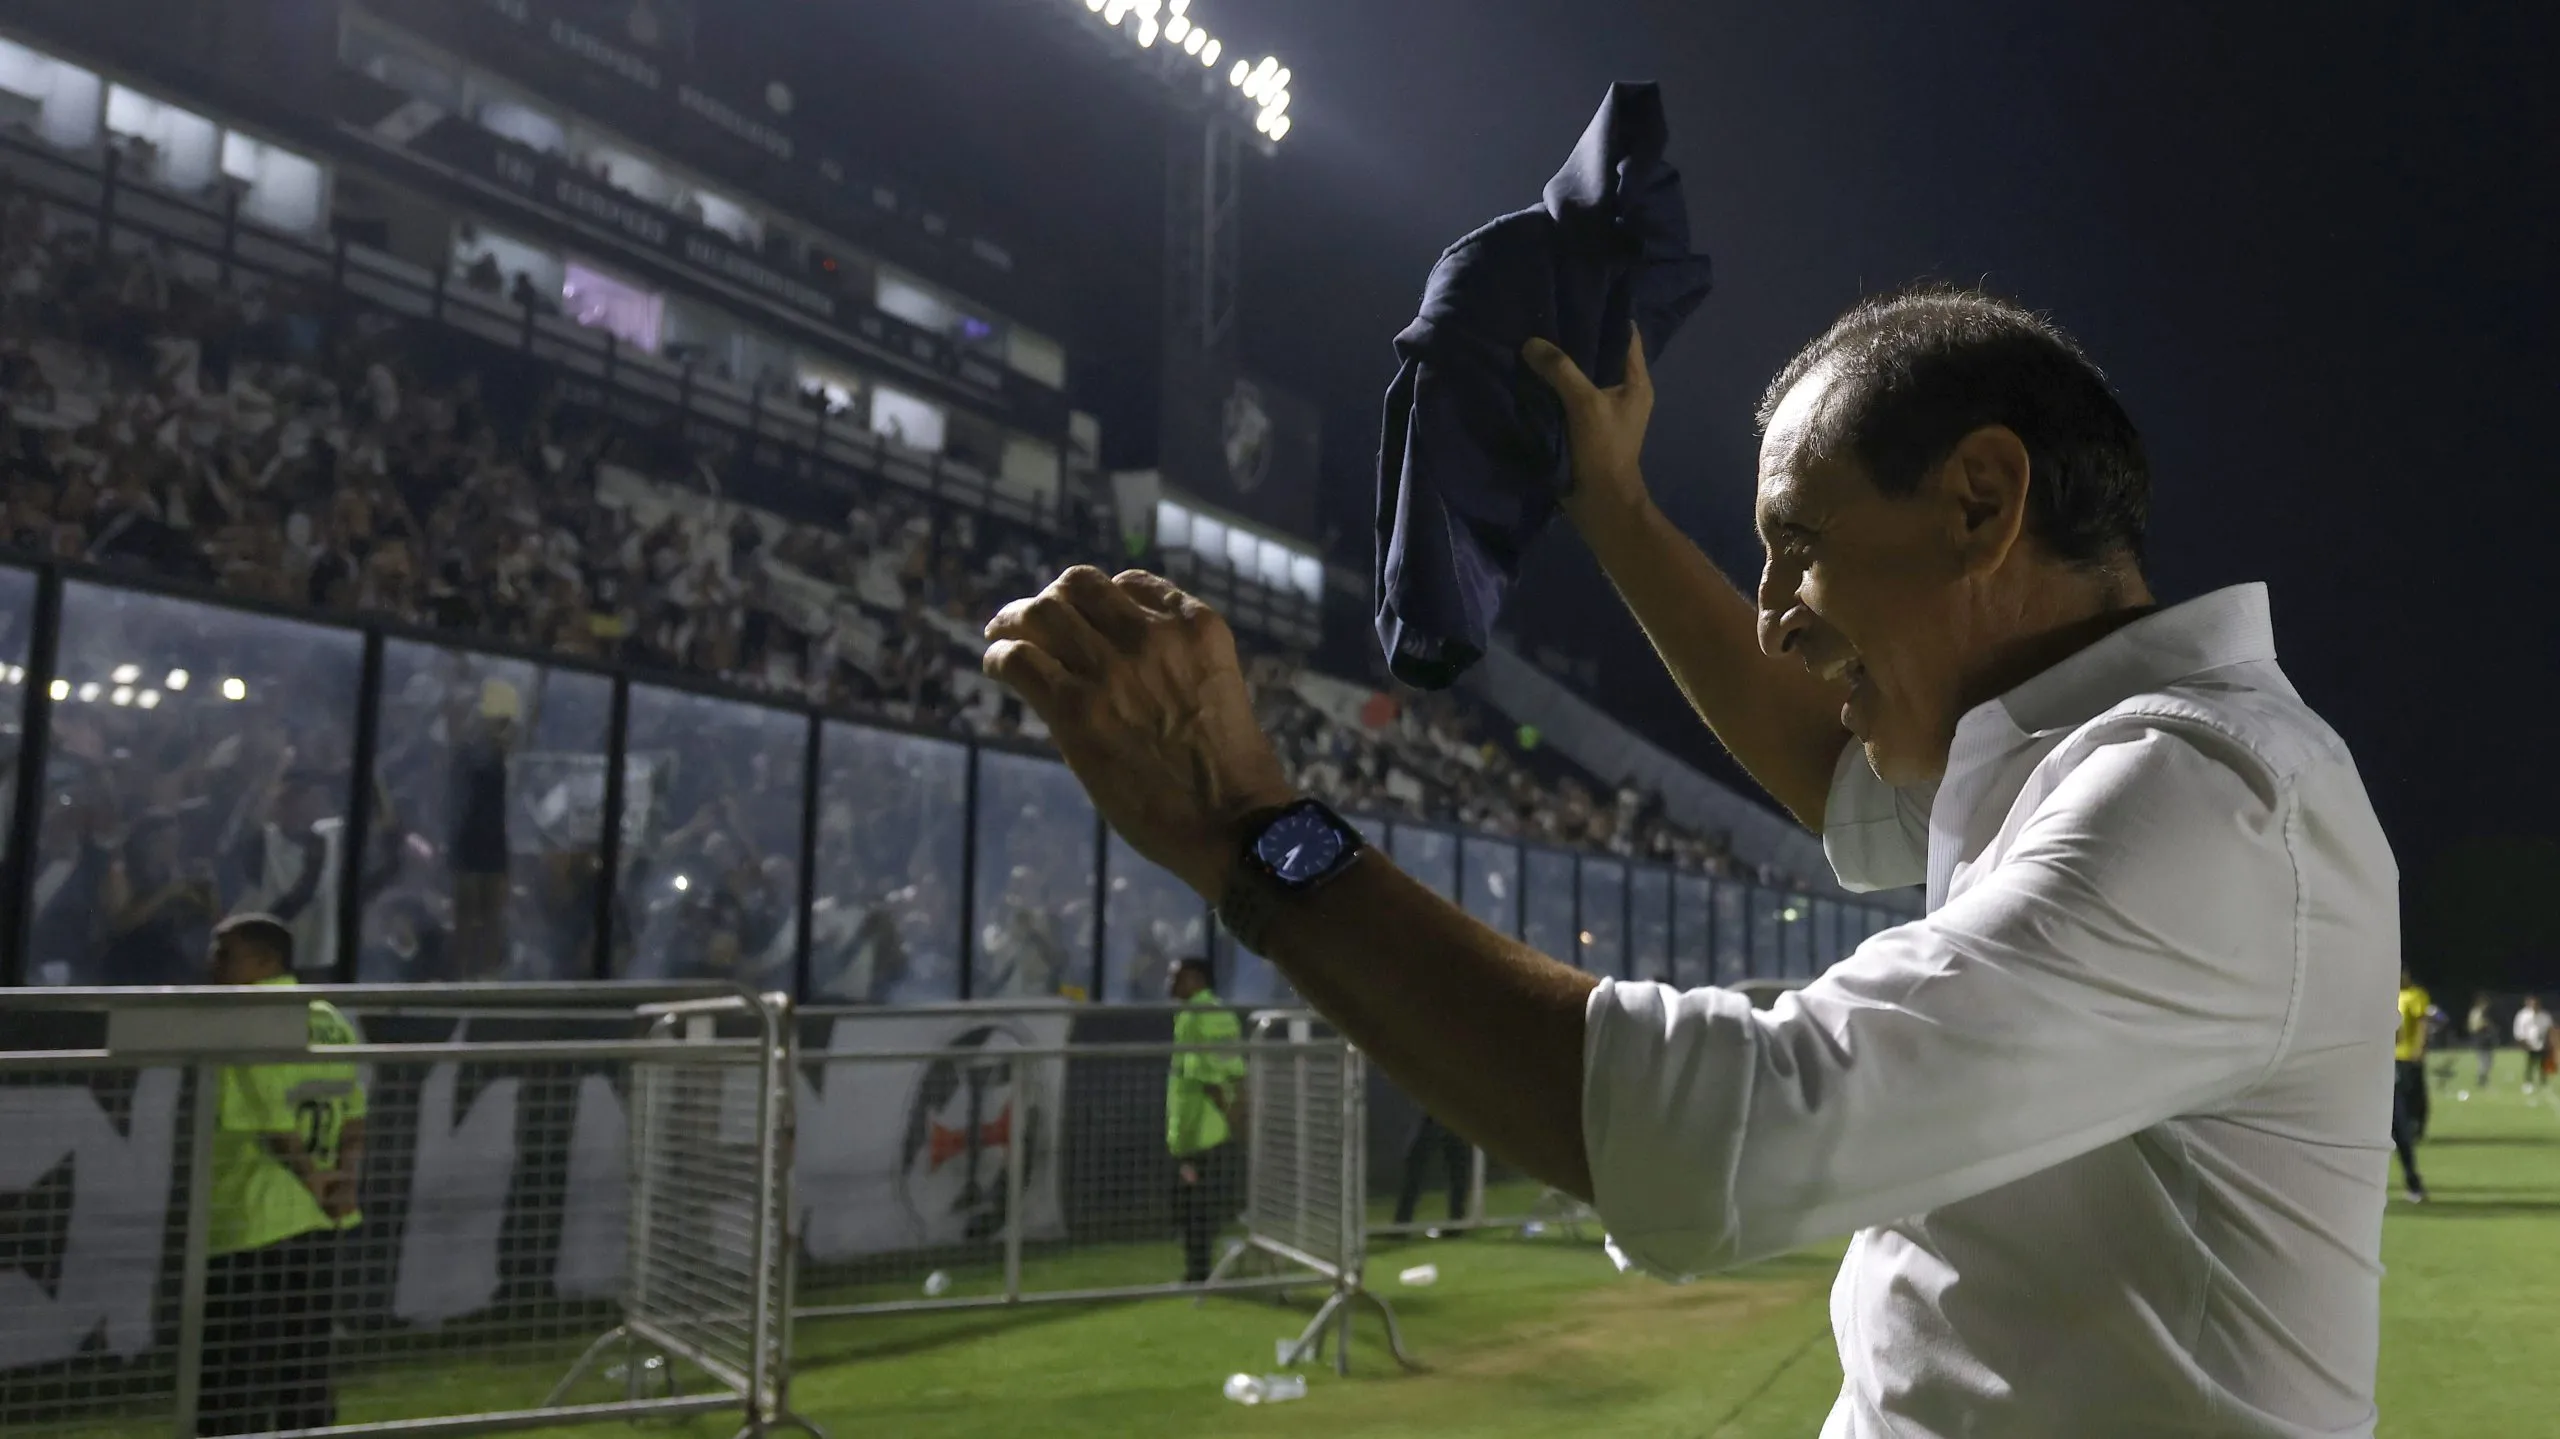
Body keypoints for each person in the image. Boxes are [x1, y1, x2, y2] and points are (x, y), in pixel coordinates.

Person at [981, 285, 2398, 1435]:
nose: (1774, 613)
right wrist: (1609, 499)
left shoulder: (2207, 797)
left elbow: (1745, 1123)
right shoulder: (2062, 755)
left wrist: (1249, 828)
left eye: (1798, 545)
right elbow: (1838, 767)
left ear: (1980, 499)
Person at [199, 914, 366, 1435]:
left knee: (232, 1373)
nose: (214, 963)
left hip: (253, 1213)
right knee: (307, 1366)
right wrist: (341, 1179)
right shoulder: (329, 1017)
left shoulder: (250, 1014)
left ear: (267, 961)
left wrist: (308, 1172)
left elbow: (269, 1117)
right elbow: (354, 1111)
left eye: (227, 953)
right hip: (318, 1218)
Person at [1165, 957, 1245, 1285]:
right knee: (1195, 1204)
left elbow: (1209, 1072)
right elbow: (1233, 1066)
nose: (1169, 983)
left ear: (1196, 979)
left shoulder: (1197, 1015)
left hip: (1200, 1127)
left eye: (1176, 977)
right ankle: (1200, 1269)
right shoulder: (1215, 1013)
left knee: (1194, 1206)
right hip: (1204, 1128)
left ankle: (1198, 1274)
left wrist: (1230, 1112)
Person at [1392, 1110, 1473, 1235]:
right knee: (1418, 1167)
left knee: (1457, 1170)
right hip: (1444, 1116)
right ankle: (1401, 1226)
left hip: (1452, 1116)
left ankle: (1456, 1225)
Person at [2391, 969, 2430, 1201]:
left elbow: (2404, 1031)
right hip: (2383, 1065)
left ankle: (2413, 1183)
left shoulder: (2415, 995)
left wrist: (2418, 1048)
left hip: (2401, 1062)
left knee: (2400, 1122)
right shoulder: (2388, 996)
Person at [2517, 996, 2553, 1095]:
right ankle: (2528, 1083)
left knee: (2543, 1065)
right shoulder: (2524, 1015)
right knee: (2530, 1064)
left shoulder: (2545, 1016)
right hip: (2530, 1044)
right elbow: (2520, 1030)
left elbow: (2550, 1030)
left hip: (2543, 1044)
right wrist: (2524, 1042)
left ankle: (2543, 1083)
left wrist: (2548, 1042)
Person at [2467, 998, 2499, 1094]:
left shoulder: (2483, 1013)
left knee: (2488, 1062)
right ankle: (2481, 1081)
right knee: (2483, 1061)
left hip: (2486, 1040)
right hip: (2481, 1040)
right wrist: (2485, 1025)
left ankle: (2484, 1079)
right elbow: (2474, 1026)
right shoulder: (2477, 1013)